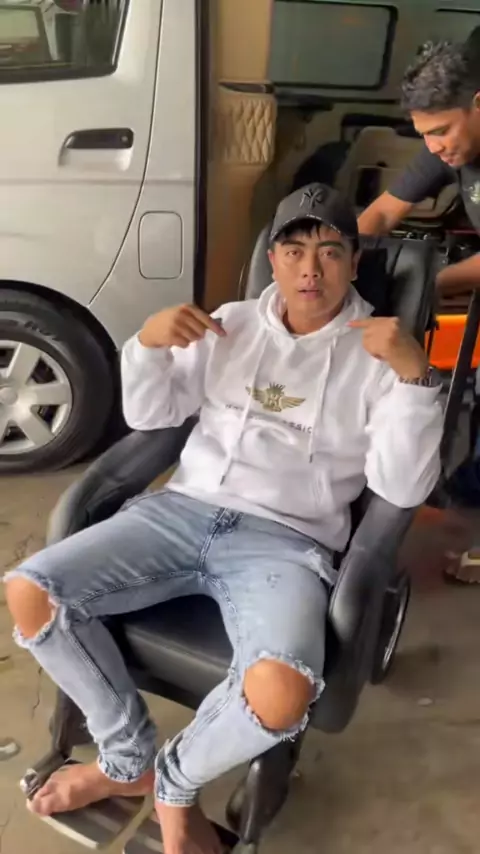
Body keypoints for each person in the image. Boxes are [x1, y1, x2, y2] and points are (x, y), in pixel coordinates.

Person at [5, 184, 442, 854]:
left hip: (287, 543)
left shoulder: (379, 354)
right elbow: (153, 416)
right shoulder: (230, 323)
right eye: (294, 251)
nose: (311, 270)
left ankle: (175, 783)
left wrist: (415, 381)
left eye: (330, 252)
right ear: (273, 260)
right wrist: (148, 345)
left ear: (356, 262)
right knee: (32, 590)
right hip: (181, 511)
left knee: (282, 692)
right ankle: (126, 760)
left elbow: (400, 486)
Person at [358, 38, 480, 583]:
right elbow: (383, 212)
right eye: (425, 134)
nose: (434, 146)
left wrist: (424, 281)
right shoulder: (447, 147)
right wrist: (337, 255)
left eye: (442, 131)